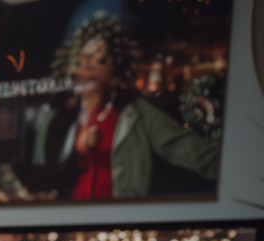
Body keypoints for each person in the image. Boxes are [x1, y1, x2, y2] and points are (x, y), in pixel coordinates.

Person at [39, 14, 220, 200]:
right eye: (81, 59)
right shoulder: (60, 119)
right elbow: (44, 177)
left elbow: (188, 149)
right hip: (71, 221)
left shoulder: (136, 113)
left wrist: (234, 169)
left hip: (117, 221)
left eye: (100, 59)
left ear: (115, 73)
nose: (87, 66)